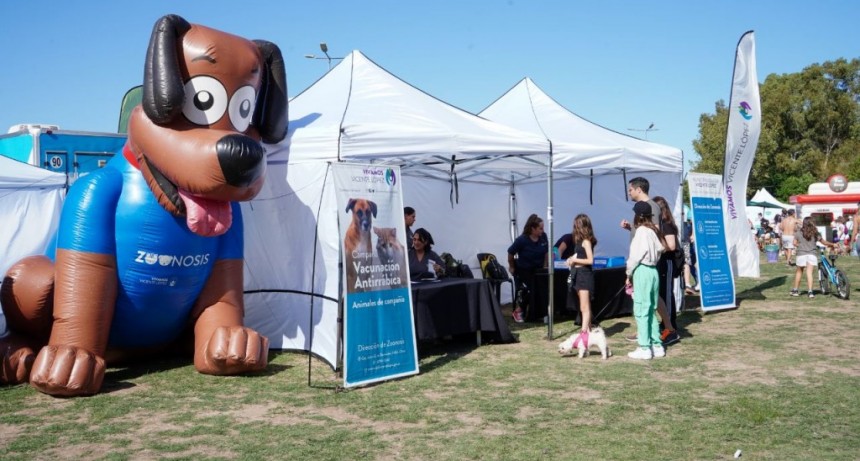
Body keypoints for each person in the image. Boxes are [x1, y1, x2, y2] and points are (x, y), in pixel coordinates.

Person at [619, 177, 676, 344]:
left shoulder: (652, 207)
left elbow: (654, 233)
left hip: (644, 262)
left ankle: (666, 328)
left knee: (650, 297)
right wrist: (630, 228)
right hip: (642, 260)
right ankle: (647, 330)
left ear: (639, 189)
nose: (629, 192)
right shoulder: (643, 208)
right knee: (647, 297)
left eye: (630, 189)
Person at [625, 201, 667, 360]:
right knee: (651, 309)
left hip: (642, 270)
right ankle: (657, 345)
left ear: (638, 215)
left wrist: (628, 274)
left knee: (641, 310)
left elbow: (635, 256)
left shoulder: (641, 231)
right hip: (653, 271)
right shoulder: (652, 230)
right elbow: (661, 248)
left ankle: (644, 347)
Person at [507, 213, 549, 323]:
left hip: (538, 270)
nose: (542, 230)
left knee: (545, 286)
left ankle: (542, 312)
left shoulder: (543, 237)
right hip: (524, 270)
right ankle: (518, 310)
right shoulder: (522, 240)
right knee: (533, 288)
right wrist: (511, 266)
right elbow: (510, 253)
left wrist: (545, 266)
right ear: (533, 229)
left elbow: (546, 253)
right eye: (540, 228)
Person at [653, 196, 681, 345]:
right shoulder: (660, 224)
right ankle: (665, 324)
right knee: (661, 294)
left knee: (666, 294)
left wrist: (657, 245)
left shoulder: (667, 225)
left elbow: (671, 246)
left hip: (667, 262)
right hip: (660, 262)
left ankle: (671, 328)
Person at [564, 214, 597, 333]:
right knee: (584, 306)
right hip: (578, 273)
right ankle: (588, 331)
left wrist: (575, 260)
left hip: (584, 275)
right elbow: (578, 256)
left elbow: (590, 260)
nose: (574, 228)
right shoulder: (579, 241)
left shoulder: (586, 242)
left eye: (576, 225)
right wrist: (571, 260)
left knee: (584, 307)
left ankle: (584, 333)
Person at [790, 217, 838, 298]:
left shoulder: (798, 232)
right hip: (812, 254)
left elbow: (794, 243)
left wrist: (801, 245)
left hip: (801, 253)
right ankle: (810, 292)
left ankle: (795, 290)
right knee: (809, 273)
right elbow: (824, 242)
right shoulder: (815, 233)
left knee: (799, 272)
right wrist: (833, 244)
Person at [682, 217, 699, 294]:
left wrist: (693, 235)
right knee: (688, 262)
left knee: (687, 262)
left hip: (686, 240)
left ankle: (689, 283)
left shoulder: (685, 209)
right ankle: (689, 283)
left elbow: (694, 220)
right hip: (685, 239)